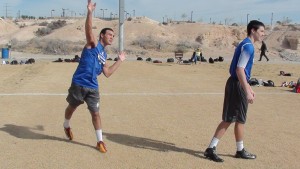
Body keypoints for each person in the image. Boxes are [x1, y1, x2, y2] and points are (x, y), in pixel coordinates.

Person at [63, 0, 126, 153]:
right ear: (101, 35)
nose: (112, 37)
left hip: (93, 87)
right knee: (71, 108)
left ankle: (100, 141)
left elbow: (108, 73)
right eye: (109, 34)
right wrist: (90, 11)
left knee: (96, 113)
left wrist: (119, 60)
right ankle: (66, 125)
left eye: (113, 35)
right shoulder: (92, 44)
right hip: (78, 83)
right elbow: (88, 29)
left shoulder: (104, 55)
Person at [203, 20, 265, 162]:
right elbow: (239, 69)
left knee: (237, 118)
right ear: (253, 31)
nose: (263, 34)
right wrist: (247, 90)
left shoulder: (245, 44)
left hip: (237, 83)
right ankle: (213, 149)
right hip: (237, 84)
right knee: (232, 118)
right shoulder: (249, 47)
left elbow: (242, 71)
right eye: (261, 31)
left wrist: (249, 87)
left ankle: (238, 149)